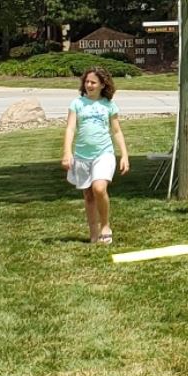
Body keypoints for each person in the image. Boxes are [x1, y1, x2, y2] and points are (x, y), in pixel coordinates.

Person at [61, 66, 130, 244]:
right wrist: (67, 152)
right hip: (82, 156)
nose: (89, 85)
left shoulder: (109, 105)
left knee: (99, 188)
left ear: (102, 85)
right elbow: (70, 128)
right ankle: (93, 232)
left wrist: (124, 155)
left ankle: (105, 225)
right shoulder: (77, 103)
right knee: (89, 195)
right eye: (87, 82)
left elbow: (116, 131)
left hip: (104, 153)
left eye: (93, 82)